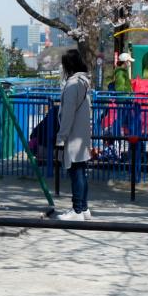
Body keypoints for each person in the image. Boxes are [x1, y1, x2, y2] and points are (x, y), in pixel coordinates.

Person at [55, 49, 92, 222]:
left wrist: (61, 138)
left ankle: (77, 209)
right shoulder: (84, 82)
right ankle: (83, 208)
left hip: (73, 135)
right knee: (81, 172)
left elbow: (67, 114)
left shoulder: (72, 85)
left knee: (76, 173)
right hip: (82, 135)